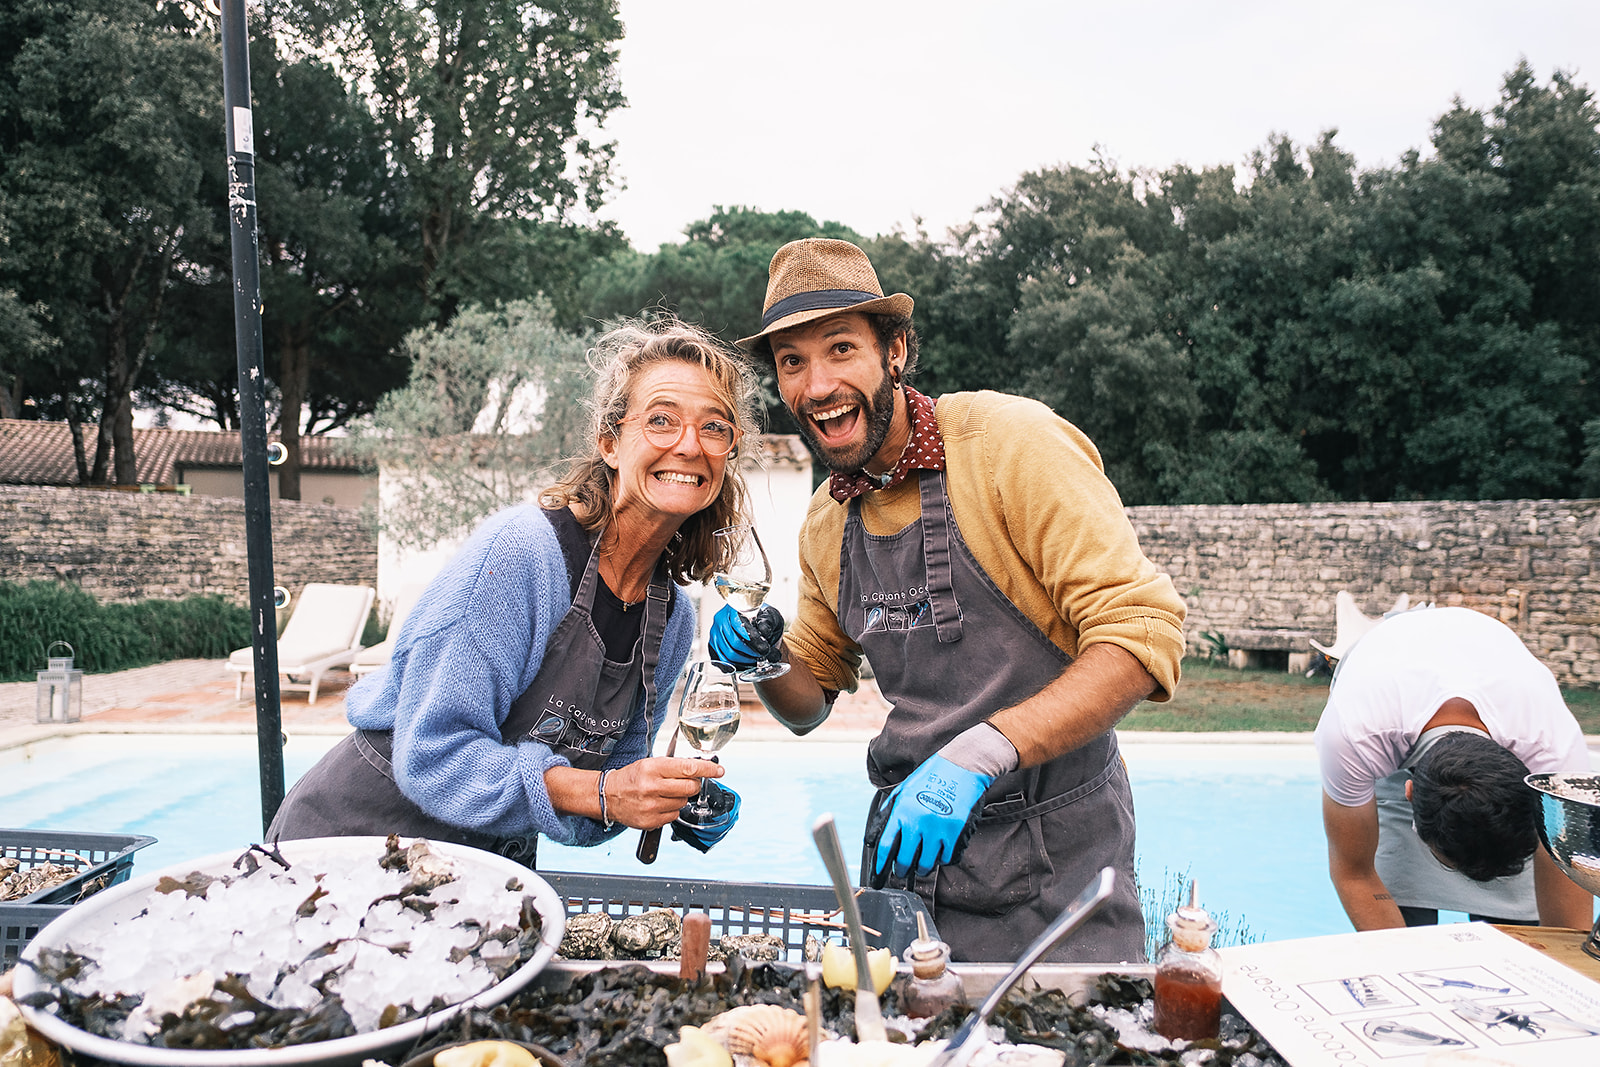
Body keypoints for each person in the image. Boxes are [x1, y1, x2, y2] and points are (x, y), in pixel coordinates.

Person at [711, 238, 1187, 963]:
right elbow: (809, 705)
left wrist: (983, 751)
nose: (817, 384)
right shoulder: (826, 521)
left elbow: (1143, 635)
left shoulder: (1011, 446)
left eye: (841, 349)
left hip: (1055, 868)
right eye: (792, 362)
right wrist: (767, 659)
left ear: (895, 351)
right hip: (908, 871)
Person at [268, 319, 761, 865]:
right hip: (350, 848)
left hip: (482, 874)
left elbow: (601, 793)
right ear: (610, 442)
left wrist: (663, 797)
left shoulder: (671, 622)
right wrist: (604, 793)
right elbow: (433, 755)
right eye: (661, 420)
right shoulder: (522, 553)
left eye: (714, 427)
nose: (689, 445)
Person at [1315, 605, 1593, 930]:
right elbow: (1354, 873)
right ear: (1409, 792)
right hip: (1388, 683)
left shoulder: (1553, 751)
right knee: (1400, 895)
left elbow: (1566, 926)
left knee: (1519, 922)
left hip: (1484, 678)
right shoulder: (1352, 735)